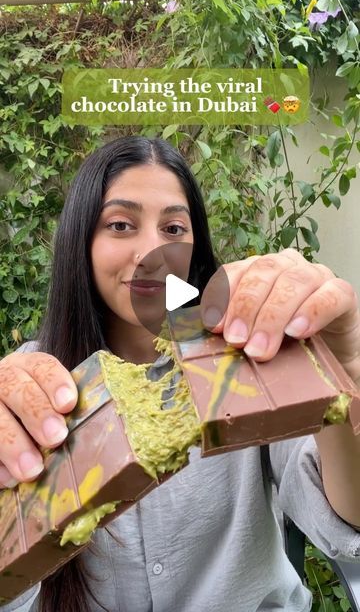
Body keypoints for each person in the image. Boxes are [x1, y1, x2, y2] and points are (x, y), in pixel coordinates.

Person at [0, 135, 360, 612]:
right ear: (80, 242)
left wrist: (345, 376)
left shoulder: (243, 352)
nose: (152, 252)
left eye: (173, 229)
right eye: (122, 224)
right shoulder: (32, 390)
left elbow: (347, 517)